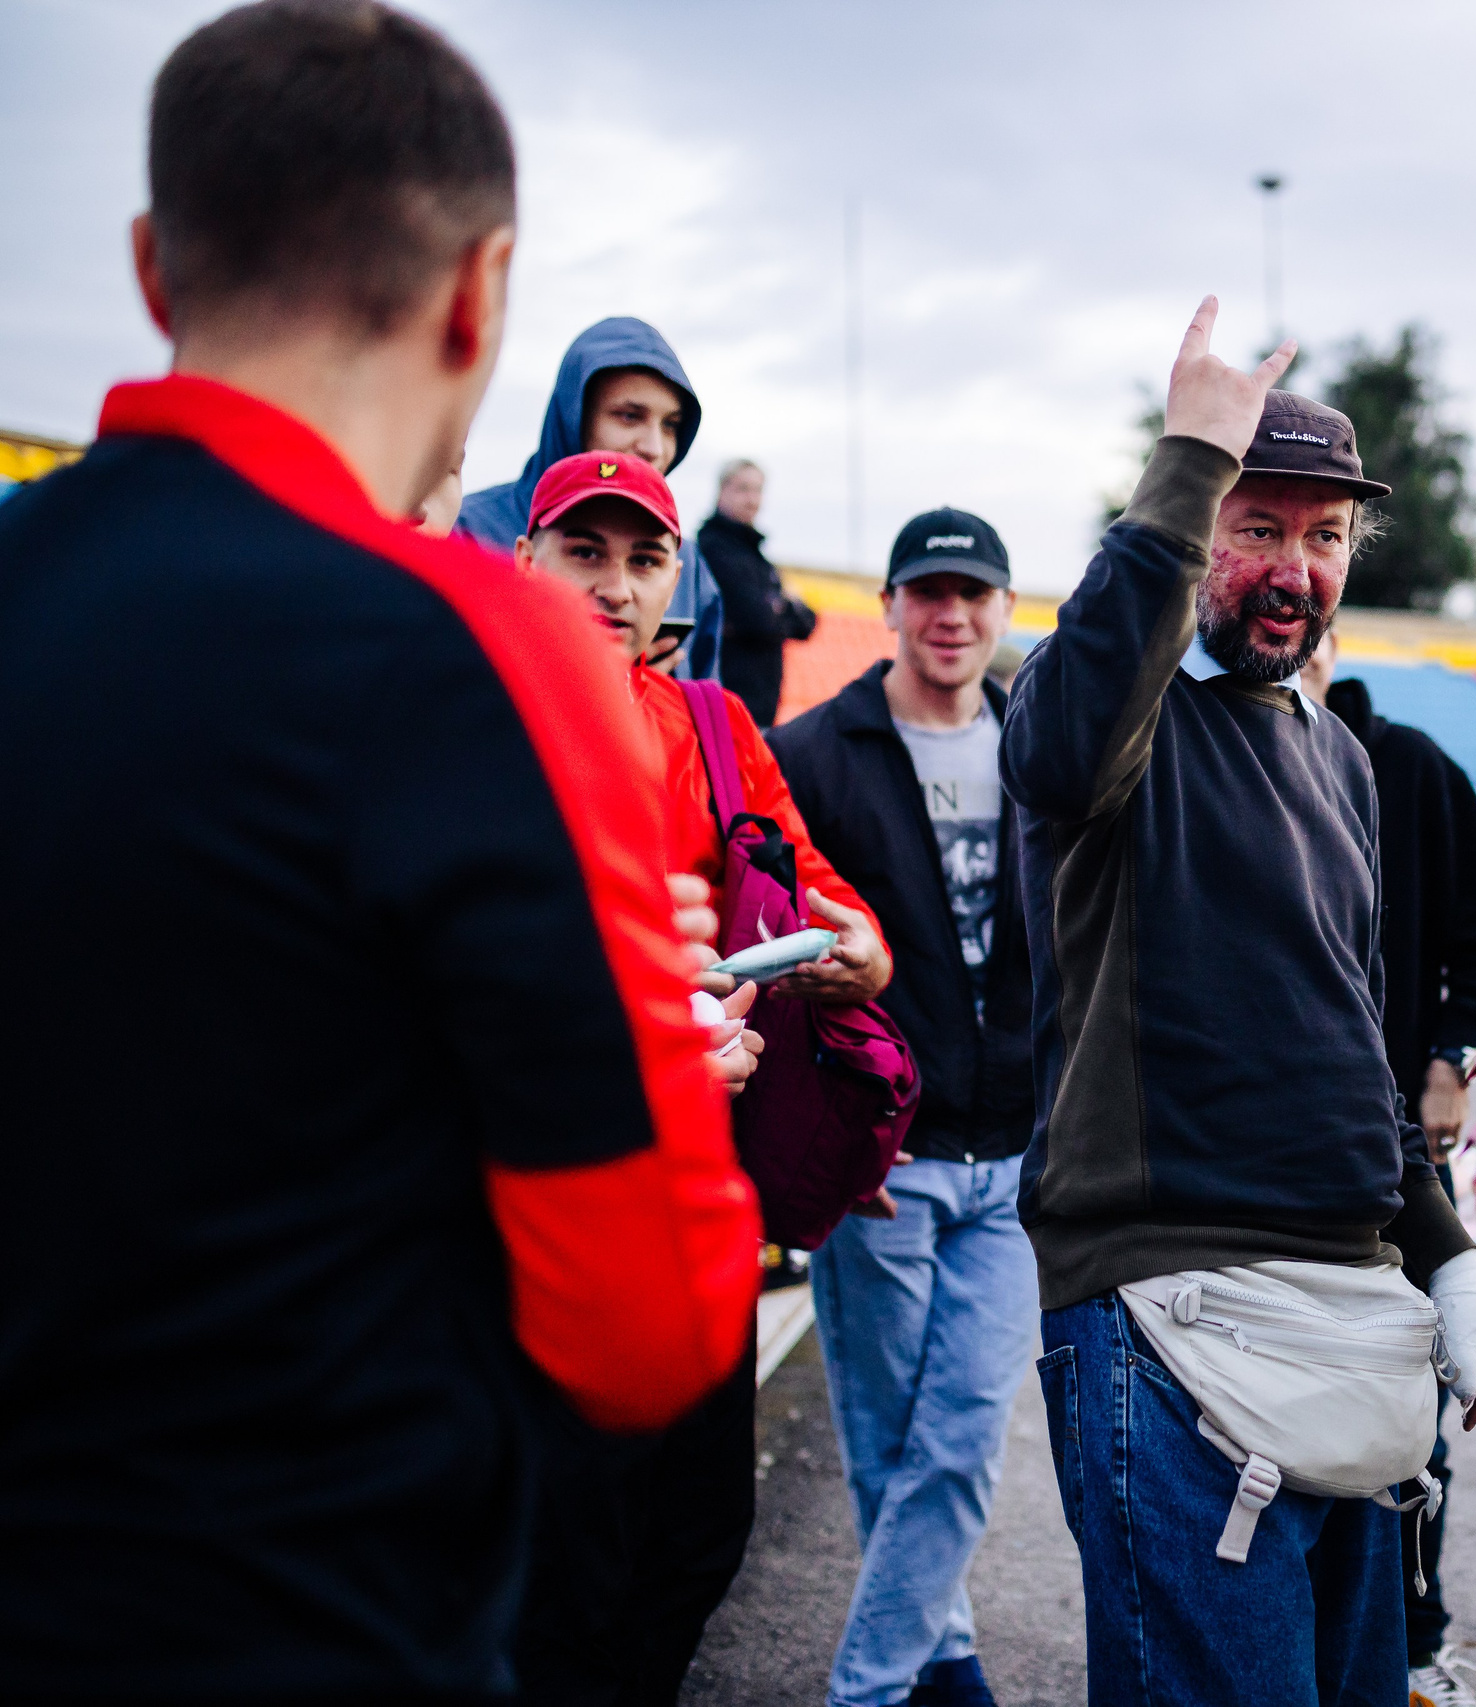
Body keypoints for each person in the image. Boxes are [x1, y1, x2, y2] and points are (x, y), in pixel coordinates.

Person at [0, 5, 763, 1701]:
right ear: (481, 293)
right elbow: (649, 1328)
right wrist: (652, 1060)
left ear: (150, 262)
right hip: (316, 1621)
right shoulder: (497, 659)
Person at [1003, 299, 1476, 1707]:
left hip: (1344, 1306)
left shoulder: (1336, 758)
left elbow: (1355, 1031)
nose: (1294, 567)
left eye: (1325, 534)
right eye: (1256, 525)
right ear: (1194, 531)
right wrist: (1185, 462)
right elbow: (1055, 750)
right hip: (1168, 1306)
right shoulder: (1112, 704)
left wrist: (1444, 1249)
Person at [509, 449, 894, 1707]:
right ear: (525, 560)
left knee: (693, 1533)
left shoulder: (717, 731)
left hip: (694, 1204)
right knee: (553, 1552)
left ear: (675, 576)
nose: (614, 585)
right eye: (584, 551)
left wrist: (817, 964)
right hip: (524, 1216)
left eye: (641, 558)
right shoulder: (466, 726)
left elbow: (851, 928)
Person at [770, 507, 1034, 1707]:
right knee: (888, 1441)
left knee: (964, 1431)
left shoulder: (1038, 750)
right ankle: (949, 1654)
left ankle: (869, 1688)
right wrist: (823, 1142)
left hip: (1011, 1152)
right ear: (886, 606)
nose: (951, 616)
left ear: (1003, 612)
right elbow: (773, 964)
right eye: (928, 592)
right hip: (886, 1154)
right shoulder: (814, 752)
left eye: (974, 594)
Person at [1299, 630, 1476, 1707]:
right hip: (1268, 1165)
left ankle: (1412, 1646)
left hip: (1397, 1163)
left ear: (1331, 645)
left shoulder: (1416, 767)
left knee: (1411, 1410)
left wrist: (1444, 1064)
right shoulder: (1197, 757)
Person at [456, 314, 725, 678]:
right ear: (573, 416)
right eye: (629, 416)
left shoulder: (687, 563)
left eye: (671, 425)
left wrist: (658, 701)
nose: (654, 447)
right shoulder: (467, 531)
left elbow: (709, 713)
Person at [698, 458, 817, 726]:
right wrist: (781, 604)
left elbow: (807, 622)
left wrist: (775, 608)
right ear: (722, 491)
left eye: (758, 490)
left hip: (760, 705)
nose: (752, 499)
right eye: (743, 489)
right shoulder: (711, 549)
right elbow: (757, 618)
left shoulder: (757, 557)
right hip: (724, 702)